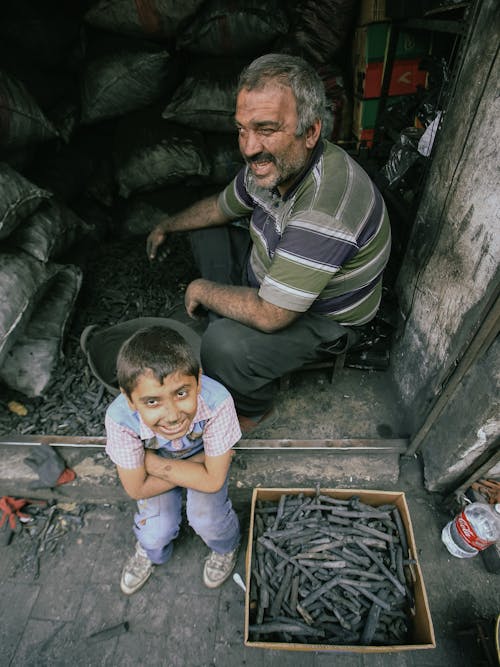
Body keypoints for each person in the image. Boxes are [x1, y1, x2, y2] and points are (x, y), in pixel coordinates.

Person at [146, 53, 391, 432]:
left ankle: (253, 408)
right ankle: (224, 314)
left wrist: (201, 289)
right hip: (275, 275)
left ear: (311, 132)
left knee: (223, 347)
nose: (248, 147)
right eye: (242, 129)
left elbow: (271, 315)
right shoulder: (273, 165)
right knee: (204, 228)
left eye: (266, 129)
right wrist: (167, 225)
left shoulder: (323, 211)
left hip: (321, 317)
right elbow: (221, 207)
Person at [104, 324, 241, 595]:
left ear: (198, 382)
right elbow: (136, 489)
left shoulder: (218, 402)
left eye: (181, 394)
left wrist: (151, 464)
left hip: (157, 464)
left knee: (208, 519)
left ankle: (226, 547)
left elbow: (213, 482)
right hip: (198, 461)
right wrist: (200, 466)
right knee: (156, 530)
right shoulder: (119, 419)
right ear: (130, 400)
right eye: (152, 402)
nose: (172, 415)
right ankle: (151, 553)